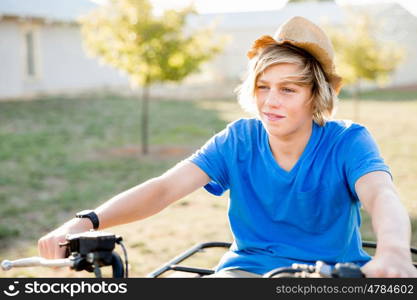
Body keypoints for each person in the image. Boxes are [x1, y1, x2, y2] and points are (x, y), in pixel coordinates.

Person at [38, 16, 417, 278]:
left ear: (315, 95)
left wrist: (396, 249)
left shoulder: (347, 141)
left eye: (288, 89)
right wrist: (83, 222)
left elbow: (381, 195)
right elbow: (164, 188)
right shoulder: (239, 140)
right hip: (246, 272)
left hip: (333, 272)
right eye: (263, 87)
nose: (271, 101)